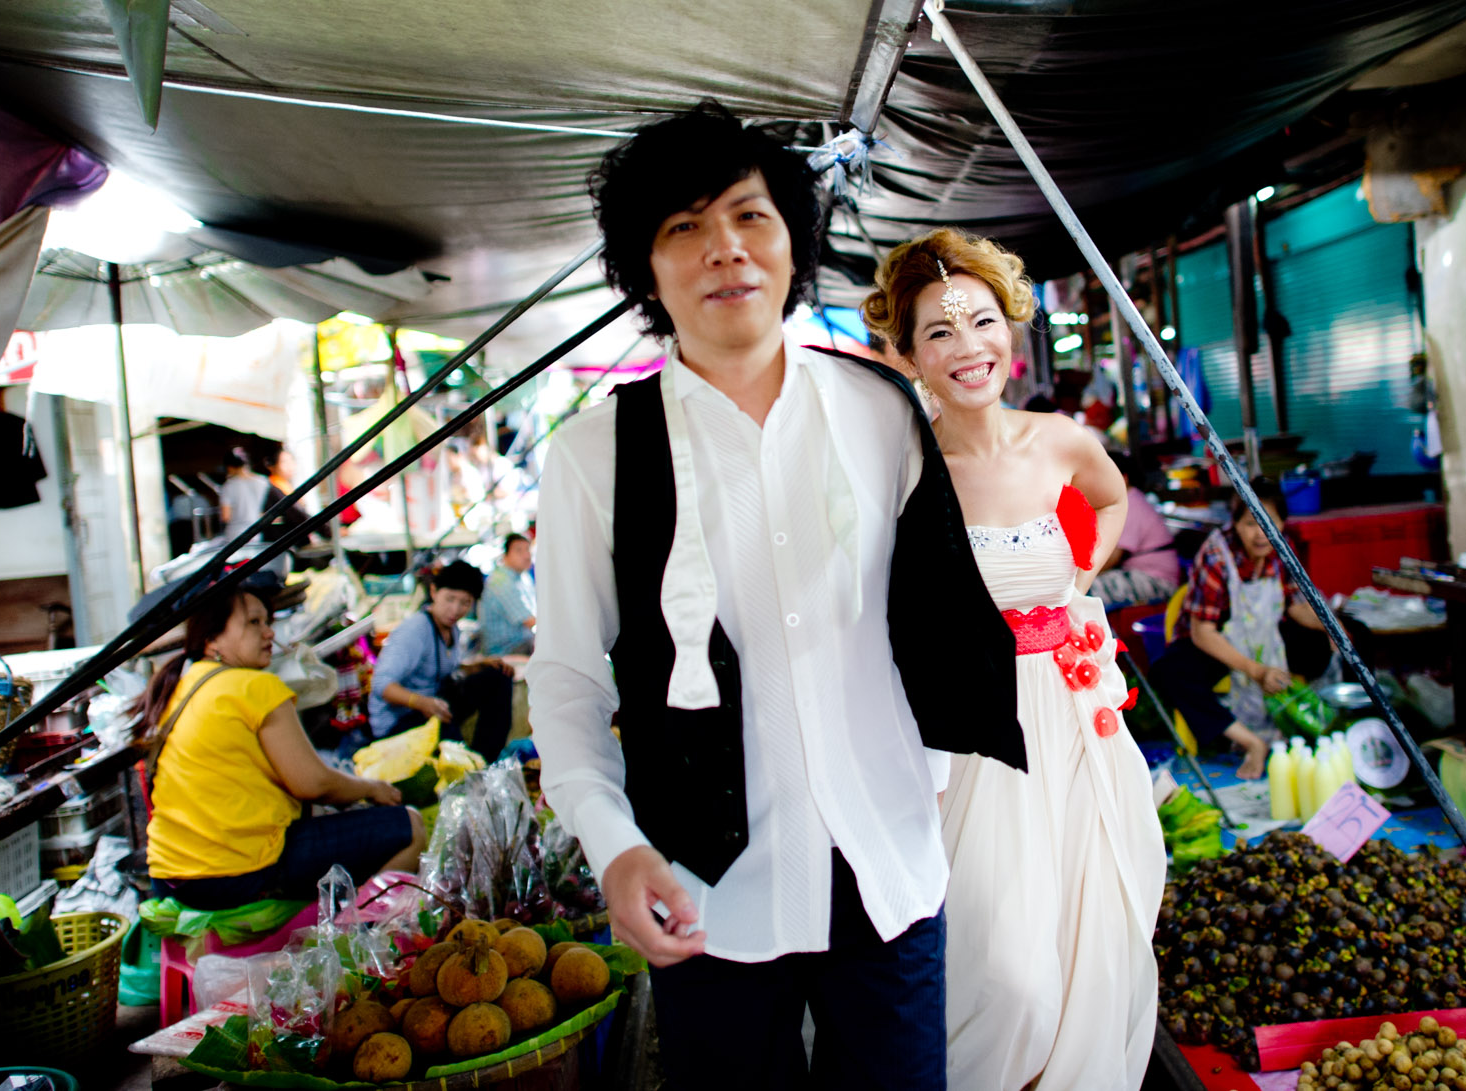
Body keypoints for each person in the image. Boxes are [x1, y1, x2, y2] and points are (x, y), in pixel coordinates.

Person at [528, 102, 1023, 1089]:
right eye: (684, 227)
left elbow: (927, 616)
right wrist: (615, 844)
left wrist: (925, 775)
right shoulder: (593, 456)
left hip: (886, 873)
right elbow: (570, 677)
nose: (725, 249)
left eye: (750, 215)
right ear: (645, 270)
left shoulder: (880, 410)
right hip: (709, 893)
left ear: (793, 242)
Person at [863, 228, 1166, 1091]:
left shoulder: (1060, 440)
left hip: (1074, 727)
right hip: (972, 739)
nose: (969, 347)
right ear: (911, 354)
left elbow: (1111, 498)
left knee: (1095, 938)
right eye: (939, 332)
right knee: (1005, 974)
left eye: (983, 321)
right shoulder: (903, 471)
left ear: (1012, 328)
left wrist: (1084, 570)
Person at [143, 585, 424, 909]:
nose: (268, 632)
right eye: (253, 623)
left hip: (170, 876)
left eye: (267, 621)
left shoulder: (185, 685)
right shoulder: (253, 686)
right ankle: (358, 931)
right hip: (236, 872)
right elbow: (313, 783)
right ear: (212, 638)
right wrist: (370, 788)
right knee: (411, 826)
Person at [1145, 480, 1325, 779]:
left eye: (1268, 523)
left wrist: (1335, 628)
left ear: (1282, 522)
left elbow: (1294, 604)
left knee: (1322, 644)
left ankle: (1314, 729)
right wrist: (1255, 671)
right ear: (1236, 524)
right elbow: (1203, 632)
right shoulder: (1216, 555)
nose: (1259, 534)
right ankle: (1250, 741)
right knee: (1170, 672)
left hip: (1267, 636)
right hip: (1216, 640)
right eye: (1249, 524)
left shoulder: (1283, 547)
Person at [369, 559, 513, 760]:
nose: (455, 609)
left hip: (434, 705)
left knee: (497, 678)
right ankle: (471, 767)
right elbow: (381, 684)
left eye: (465, 602)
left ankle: (485, 760)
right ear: (434, 591)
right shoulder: (415, 630)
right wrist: (421, 702)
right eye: (450, 599)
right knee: (449, 734)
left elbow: (444, 669)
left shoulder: (451, 628)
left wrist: (477, 667)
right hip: (398, 723)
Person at [1092, 452, 1183, 610]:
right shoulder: (1124, 502)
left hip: (1156, 580)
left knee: (1088, 590)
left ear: (1124, 478)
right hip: (1139, 574)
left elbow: (1112, 557)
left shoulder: (1130, 504)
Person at [478, 532, 536, 655]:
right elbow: (530, 621)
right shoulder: (502, 582)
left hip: (523, 643)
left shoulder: (523, 577)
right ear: (505, 555)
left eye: (528, 550)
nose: (526, 555)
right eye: (519, 551)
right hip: (506, 651)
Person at [216, 446, 273, 541]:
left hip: (235, 534)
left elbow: (226, 516)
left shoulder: (228, 486)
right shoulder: (264, 481)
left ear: (230, 467)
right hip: (257, 532)